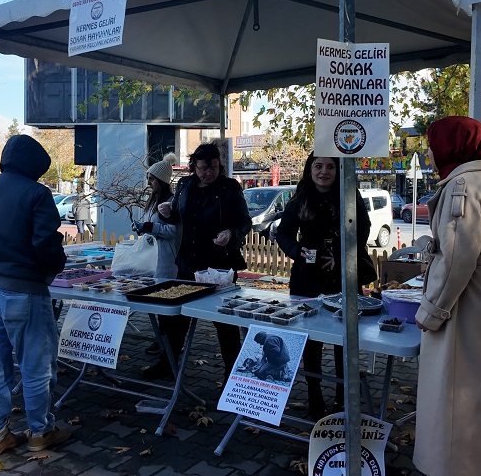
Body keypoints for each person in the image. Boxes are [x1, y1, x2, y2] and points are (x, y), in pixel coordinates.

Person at [413, 116, 481, 476]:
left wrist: (431, 310)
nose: (429, 154)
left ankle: (457, 467)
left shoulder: (460, 185)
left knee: (458, 394)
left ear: (449, 146)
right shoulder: (479, 180)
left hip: (467, 301)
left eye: (432, 145)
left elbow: (458, 256)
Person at [0, 135, 72, 458]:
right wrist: (54, 268)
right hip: (25, 289)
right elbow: (45, 242)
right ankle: (41, 430)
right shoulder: (37, 193)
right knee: (36, 364)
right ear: (35, 165)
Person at [274, 153, 377, 419]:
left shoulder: (349, 197)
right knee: (311, 340)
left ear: (338, 170)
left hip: (344, 277)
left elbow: (363, 231)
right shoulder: (299, 200)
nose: (324, 172)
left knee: (345, 339)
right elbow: (283, 234)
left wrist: (342, 255)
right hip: (307, 280)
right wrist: (298, 251)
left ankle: (344, 397)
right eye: (318, 166)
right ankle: (314, 392)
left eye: (330, 166)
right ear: (310, 169)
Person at [144, 141, 252, 381]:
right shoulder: (184, 185)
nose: (209, 173)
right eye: (203, 168)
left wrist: (231, 233)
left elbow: (245, 221)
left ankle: (232, 374)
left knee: (224, 321)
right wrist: (168, 214)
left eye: (213, 167)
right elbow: (177, 220)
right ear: (194, 166)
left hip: (219, 264)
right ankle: (167, 364)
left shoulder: (230, 187)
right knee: (177, 316)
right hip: (187, 261)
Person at [133, 152, 180, 279]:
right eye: (147, 178)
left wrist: (150, 227)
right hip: (151, 257)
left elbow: (174, 231)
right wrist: (141, 227)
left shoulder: (171, 203)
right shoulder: (152, 201)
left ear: (161, 181)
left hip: (165, 259)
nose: (148, 183)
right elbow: (150, 224)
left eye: (151, 179)